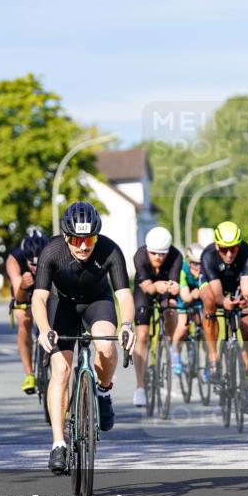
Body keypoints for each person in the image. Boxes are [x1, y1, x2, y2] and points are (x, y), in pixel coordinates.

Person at [31, 202, 135, 474]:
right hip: (61, 305)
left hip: (96, 302)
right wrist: (44, 329)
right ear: (67, 237)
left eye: (89, 239)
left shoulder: (110, 250)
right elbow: (39, 297)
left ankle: (103, 390)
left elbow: (123, 294)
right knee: (62, 370)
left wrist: (126, 325)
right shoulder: (52, 251)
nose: (83, 246)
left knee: (106, 345)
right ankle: (58, 444)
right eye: (77, 240)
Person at [199, 221, 248, 403]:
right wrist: (224, 302)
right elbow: (217, 296)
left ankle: (245, 378)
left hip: (236, 285)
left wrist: (244, 300)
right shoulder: (208, 255)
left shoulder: (247, 252)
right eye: (224, 249)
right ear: (217, 245)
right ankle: (213, 355)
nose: (230, 254)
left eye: (234, 249)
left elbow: (247, 289)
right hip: (214, 285)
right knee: (208, 301)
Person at [131, 226, 182, 407]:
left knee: (171, 309)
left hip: (165, 292)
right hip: (144, 290)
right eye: (154, 253)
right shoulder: (140, 256)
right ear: (148, 250)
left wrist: (174, 288)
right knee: (142, 336)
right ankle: (140, 387)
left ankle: (169, 342)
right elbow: (147, 287)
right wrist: (156, 286)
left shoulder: (176, 256)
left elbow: (175, 284)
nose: (158, 258)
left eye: (162, 254)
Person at [7, 230, 49, 394]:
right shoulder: (14, 260)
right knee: (24, 319)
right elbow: (19, 297)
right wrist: (24, 285)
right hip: (25, 288)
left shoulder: (53, 253)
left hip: (47, 287)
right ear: (25, 259)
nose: (36, 268)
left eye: (40, 264)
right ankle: (29, 373)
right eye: (32, 264)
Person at [170, 243, 205, 375]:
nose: (198, 267)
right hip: (184, 298)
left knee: (205, 326)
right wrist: (194, 294)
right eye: (194, 264)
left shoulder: (205, 270)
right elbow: (185, 297)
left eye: (200, 264)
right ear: (188, 261)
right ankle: (175, 353)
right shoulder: (183, 269)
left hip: (198, 299)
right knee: (183, 326)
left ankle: (208, 365)